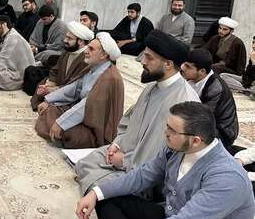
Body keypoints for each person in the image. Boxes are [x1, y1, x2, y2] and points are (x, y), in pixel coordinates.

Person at [76, 101, 254, 219]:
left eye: (172, 131)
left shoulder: (228, 177)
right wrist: (96, 193)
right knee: (108, 198)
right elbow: (142, 176)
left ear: (196, 140)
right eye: (167, 126)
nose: (165, 133)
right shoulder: (176, 149)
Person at [75, 30, 199, 194]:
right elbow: (127, 122)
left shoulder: (185, 102)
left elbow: (168, 156)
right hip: (123, 154)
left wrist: (126, 161)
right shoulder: (151, 87)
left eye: (149, 58)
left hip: (145, 174)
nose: (142, 61)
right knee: (85, 163)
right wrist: (117, 144)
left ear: (168, 64)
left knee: (100, 187)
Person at [35, 32, 124, 149]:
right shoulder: (94, 68)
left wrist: (61, 123)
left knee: (65, 130)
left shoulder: (109, 78)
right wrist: (49, 100)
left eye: (91, 49)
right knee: (50, 109)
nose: (86, 51)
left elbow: (87, 105)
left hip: (96, 127)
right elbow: (74, 88)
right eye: (88, 47)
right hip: (84, 116)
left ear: (103, 55)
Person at [180, 49, 238, 151]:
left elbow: (202, 118)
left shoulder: (215, 88)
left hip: (221, 131)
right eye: (184, 64)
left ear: (202, 71)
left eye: (188, 66)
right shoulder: (191, 77)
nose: (183, 68)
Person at [30, 21, 93, 111]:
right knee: (42, 83)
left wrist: (53, 90)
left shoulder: (87, 59)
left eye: (69, 38)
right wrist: (50, 83)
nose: (65, 40)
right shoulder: (67, 52)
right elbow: (55, 70)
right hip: (59, 85)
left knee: (53, 110)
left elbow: (76, 87)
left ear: (81, 41)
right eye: (66, 37)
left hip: (70, 94)